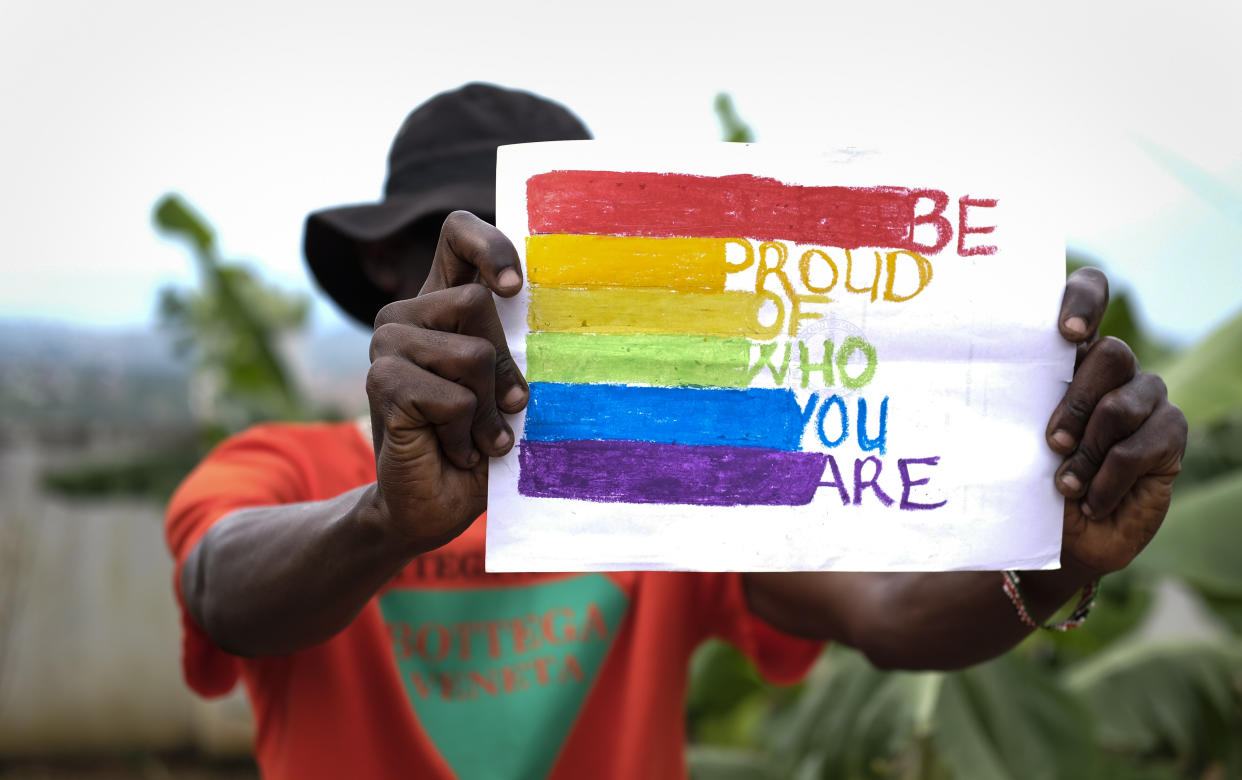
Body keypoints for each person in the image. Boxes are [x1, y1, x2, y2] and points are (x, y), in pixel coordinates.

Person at [165, 83, 1188, 780]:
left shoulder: (665, 481)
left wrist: (1055, 561)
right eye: (472, 251)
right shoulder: (285, 468)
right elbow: (221, 599)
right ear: (394, 277)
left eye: (547, 260)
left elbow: (887, 613)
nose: (509, 294)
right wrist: (385, 522)